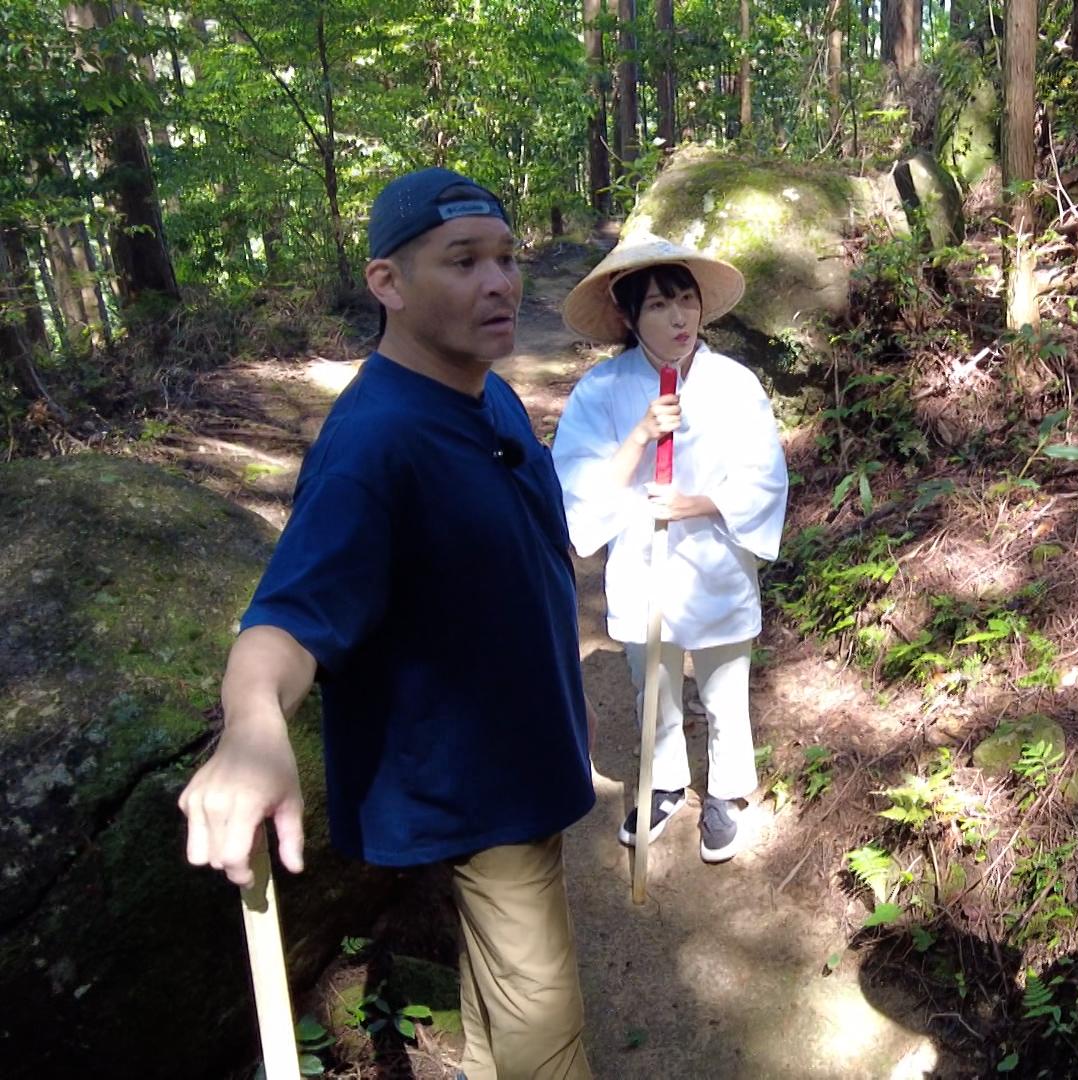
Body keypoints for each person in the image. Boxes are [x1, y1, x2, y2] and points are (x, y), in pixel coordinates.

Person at [176, 167, 595, 1080]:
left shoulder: (486, 392)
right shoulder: (374, 444)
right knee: (544, 1028)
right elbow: (286, 618)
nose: (500, 282)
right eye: (463, 261)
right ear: (388, 284)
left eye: (506, 257)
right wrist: (252, 726)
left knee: (498, 993)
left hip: (517, 755)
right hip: (483, 787)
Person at [553, 233, 788, 864]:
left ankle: (727, 790)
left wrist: (698, 503)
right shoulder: (600, 392)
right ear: (629, 317)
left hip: (715, 560)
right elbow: (575, 485)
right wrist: (639, 435)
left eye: (685, 299)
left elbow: (763, 475)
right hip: (642, 564)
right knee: (650, 680)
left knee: (722, 684)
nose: (678, 316)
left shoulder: (735, 384)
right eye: (658, 305)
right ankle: (665, 782)